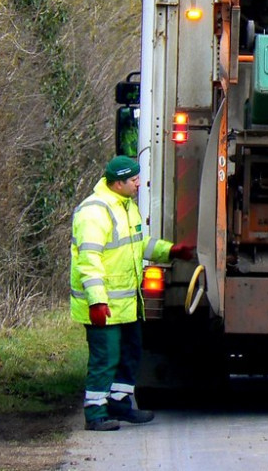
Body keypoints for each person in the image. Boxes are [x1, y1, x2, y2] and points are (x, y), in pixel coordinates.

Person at [70, 155, 194, 431]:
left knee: (130, 354)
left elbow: (138, 244)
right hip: (104, 308)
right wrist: (97, 302)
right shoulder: (94, 213)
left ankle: (120, 405)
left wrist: (169, 250)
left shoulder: (126, 207)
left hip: (126, 305)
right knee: (105, 359)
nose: (139, 184)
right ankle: (95, 414)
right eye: (134, 180)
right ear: (117, 183)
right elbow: (89, 262)